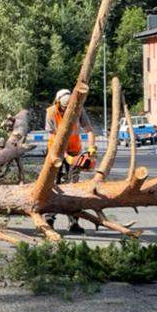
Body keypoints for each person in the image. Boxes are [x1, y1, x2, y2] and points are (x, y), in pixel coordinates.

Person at [44, 89, 94, 233]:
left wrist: (92, 148)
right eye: (64, 108)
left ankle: (73, 222)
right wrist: (66, 157)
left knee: (74, 186)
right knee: (55, 185)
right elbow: (54, 138)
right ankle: (49, 219)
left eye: (69, 107)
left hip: (75, 150)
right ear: (58, 103)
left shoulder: (79, 109)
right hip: (56, 152)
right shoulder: (51, 112)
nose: (67, 110)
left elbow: (89, 130)